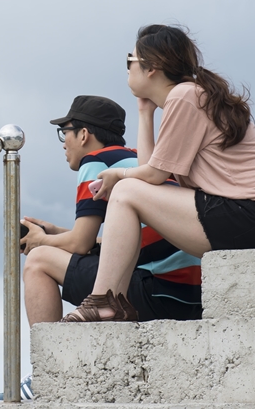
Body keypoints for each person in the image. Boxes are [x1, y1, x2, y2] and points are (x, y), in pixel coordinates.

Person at [60, 25, 255, 323]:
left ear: (151, 68)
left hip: (246, 215)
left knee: (125, 191)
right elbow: (152, 173)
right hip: (249, 218)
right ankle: (112, 302)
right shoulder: (187, 96)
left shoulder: (185, 96)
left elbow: (154, 175)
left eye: (130, 60)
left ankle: (105, 300)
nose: (127, 68)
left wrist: (118, 175)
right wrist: (145, 113)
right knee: (130, 190)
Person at [20, 95, 203, 327]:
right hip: (191, 297)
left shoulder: (96, 161)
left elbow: (80, 244)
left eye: (64, 132)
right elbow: (120, 244)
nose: (64, 143)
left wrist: (40, 241)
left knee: (38, 260)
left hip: (155, 291)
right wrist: (56, 231)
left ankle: (48, 351)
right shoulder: (138, 160)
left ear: (83, 134)